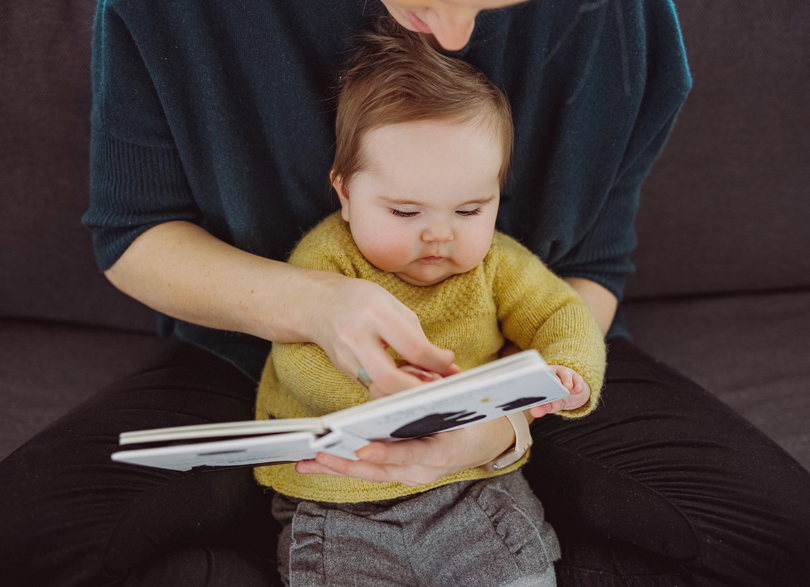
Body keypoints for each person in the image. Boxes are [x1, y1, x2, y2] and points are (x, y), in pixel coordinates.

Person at [1, 1, 809, 586]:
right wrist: (316, 305)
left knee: (779, 533)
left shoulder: (621, 23)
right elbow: (133, 233)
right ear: (342, 191)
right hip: (247, 364)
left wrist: (506, 418)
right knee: (30, 534)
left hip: (513, 372)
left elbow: (589, 273)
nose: (458, 36)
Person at [257, 21, 605, 585]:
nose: (438, 235)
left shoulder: (498, 264)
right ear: (345, 193)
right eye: (405, 212)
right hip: (340, 497)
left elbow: (561, 312)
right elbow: (299, 357)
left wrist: (571, 370)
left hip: (469, 487)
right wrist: (387, 401)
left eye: (469, 211)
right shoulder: (326, 262)